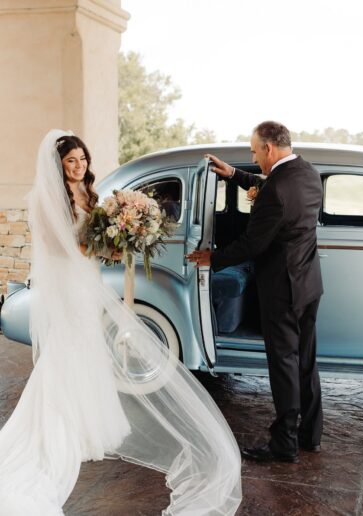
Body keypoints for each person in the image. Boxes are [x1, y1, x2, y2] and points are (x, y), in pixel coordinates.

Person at [0, 129, 242, 514]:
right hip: (68, 286)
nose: (79, 167)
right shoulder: (46, 199)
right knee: (66, 349)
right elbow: (61, 245)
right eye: (71, 161)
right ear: (57, 166)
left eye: (82, 159)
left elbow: (92, 244)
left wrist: (122, 240)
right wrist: (115, 235)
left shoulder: (87, 194)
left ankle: (83, 421)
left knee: (86, 348)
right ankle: (56, 428)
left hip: (86, 278)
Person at [188, 121, 323, 463]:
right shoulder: (306, 172)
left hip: (282, 289)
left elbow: (253, 243)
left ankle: (284, 444)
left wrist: (212, 258)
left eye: (253, 151)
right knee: (305, 361)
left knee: (283, 364)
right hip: (308, 284)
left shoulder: (276, 192)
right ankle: (310, 434)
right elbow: (272, 183)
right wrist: (235, 174)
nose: (253, 156)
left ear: (268, 149)